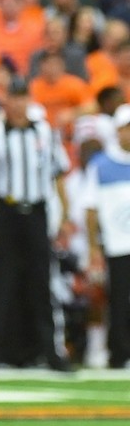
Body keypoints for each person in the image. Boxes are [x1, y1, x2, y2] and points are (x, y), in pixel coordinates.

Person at [0, 76, 74, 375]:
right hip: (8, 211)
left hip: (37, 211)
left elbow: (59, 173)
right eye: (13, 98)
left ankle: (50, 351)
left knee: (43, 282)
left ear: (29, 99)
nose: (18, 104)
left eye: (22, 97)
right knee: (0, 284)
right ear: (6, 101)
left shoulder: (45, 132)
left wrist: (64, 214)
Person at [85, 104, 130, 369]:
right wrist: (93, 246)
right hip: (117, 243)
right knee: (119, 301)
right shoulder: (101, 165)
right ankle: (119, 353)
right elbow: (91, 209)